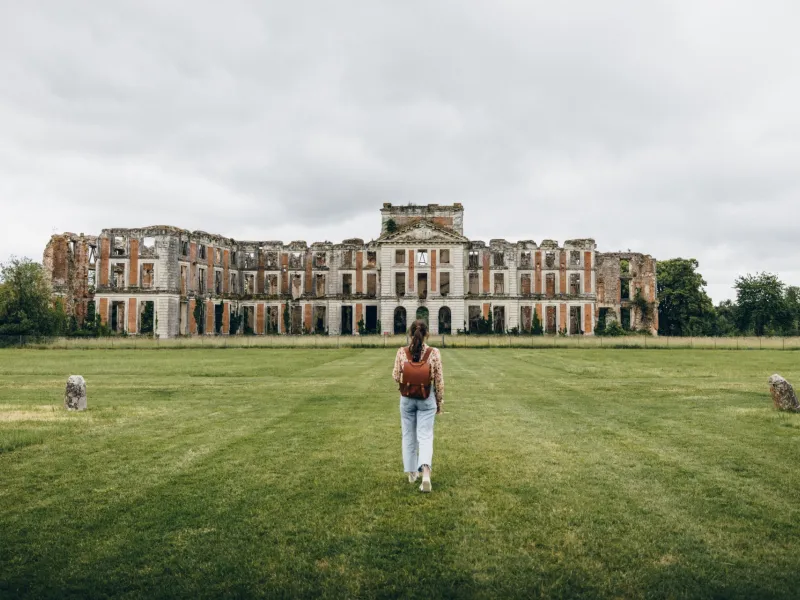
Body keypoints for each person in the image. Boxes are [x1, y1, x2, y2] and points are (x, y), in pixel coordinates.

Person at [392, 319, 445, 493]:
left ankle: (412, 473)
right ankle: (426, 475)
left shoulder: (401, 352)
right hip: (426, 398)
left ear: (410, 333)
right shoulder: (434, 353)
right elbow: (438, 381)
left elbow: (395, 376)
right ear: (427, 334)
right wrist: (439, 402)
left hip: (406, 398)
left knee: (408, 435)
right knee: (425, 436)